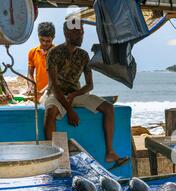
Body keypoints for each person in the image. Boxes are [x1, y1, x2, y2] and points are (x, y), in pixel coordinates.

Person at [44, 20, 128, 167]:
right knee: (50, 112)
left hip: (75, 94)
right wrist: (69, 110)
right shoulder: (54, 53)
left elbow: (90, 85)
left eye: (82, 32)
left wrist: (74, 95)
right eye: (77, 32)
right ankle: (51, 156)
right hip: (56, 94)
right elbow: (55, 86)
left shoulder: (83, 55)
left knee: (108, 108)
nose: (81, 36)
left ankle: (110, 152)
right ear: (66, 33)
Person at [27, 22, 55, 98]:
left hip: (54, 96)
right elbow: (30, 74)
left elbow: (58, 78)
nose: (44, 43)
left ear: (53, 38)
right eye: (42, 40)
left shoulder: (58, 53)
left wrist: (44, 91)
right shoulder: (32, 52)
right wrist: (30, 86)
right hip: (39, 96)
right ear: (38, 36)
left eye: (48, 41)